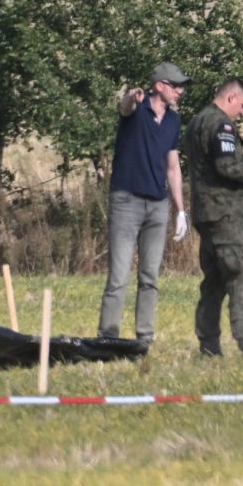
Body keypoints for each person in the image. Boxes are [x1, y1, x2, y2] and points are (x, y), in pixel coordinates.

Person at [96, 62, 189, 345]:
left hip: (158, 205)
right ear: (159, 85)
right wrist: (130, 96)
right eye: (176, 86)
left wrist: (181, 210)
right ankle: (108, 337)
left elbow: (172, 166)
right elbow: (125, 108)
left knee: (150, 276)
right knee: (119, 276)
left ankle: (144, 337)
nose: (180, 91)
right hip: (126, 202)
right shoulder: (137, 109)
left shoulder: (174, 121)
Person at [185, 77, 243, 355]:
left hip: (205, 214)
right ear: (231, 98)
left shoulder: (195, 122)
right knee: (242, 274)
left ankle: (209, 346)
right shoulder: (221, 124)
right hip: (226, 212)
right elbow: (227, 166)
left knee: (214, 282)